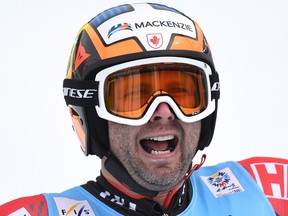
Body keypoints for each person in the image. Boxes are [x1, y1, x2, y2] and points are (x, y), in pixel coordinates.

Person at [0, 2, 287, 215]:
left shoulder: (263, 187)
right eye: (134, 96)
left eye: (183, 93)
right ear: (93, 118)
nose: (162, 111)